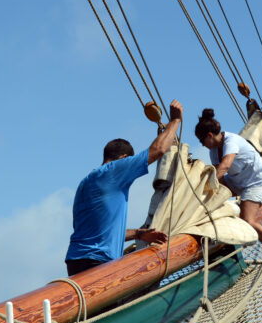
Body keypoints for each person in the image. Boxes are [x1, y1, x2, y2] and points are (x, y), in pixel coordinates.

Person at [65, 100, 183, 276]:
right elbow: (158, 150)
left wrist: (139, 234)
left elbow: (102, 233)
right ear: (124, 158)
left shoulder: (86, 183)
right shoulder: (114, 171)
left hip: (76, 262)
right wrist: (175, 121)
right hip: (97, 262)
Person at [195, 108, 262, 250]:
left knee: (248, 220)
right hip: (236, 180)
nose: (202, 144)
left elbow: (225, 166)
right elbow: (219, 178)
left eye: (202, 141)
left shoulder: (231, 141)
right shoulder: (213, 151)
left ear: (209, 135)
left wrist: (206, 185)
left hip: (255, 182)